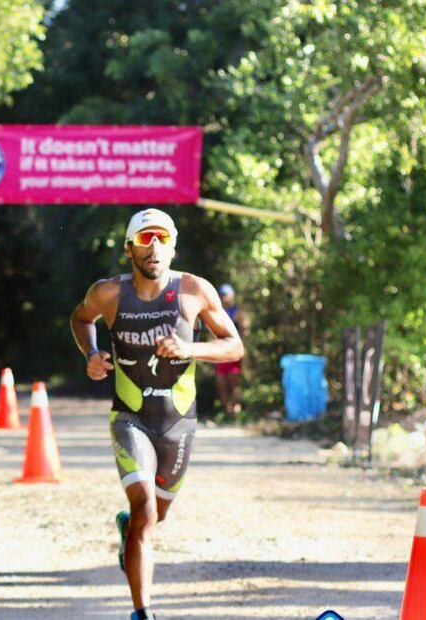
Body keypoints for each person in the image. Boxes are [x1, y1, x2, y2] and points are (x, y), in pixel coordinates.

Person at [69, 209, 243, 620]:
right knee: (145, 507)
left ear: (173, 247)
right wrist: (91, 353)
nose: (154, 247)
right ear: (129, 248)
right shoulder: (108, 293)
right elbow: (81, 318)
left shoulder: (194, 290)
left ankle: (129, 530)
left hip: (178, 422)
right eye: (145, 239)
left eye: (162, 239)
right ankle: (142, 612)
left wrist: (190, 348)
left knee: (154, 515)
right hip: (130, 417)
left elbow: (234, 346)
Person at [215, 283, 248, 416]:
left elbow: (244, 331)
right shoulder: (217, 311)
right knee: (221, 381)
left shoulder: (238, 311)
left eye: (225, 295)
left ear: (232, 295)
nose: (223, 298)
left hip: (233, 350)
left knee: (233, 379)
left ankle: (237, 407)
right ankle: (227, 410)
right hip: (220, 350)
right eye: (221, 295)